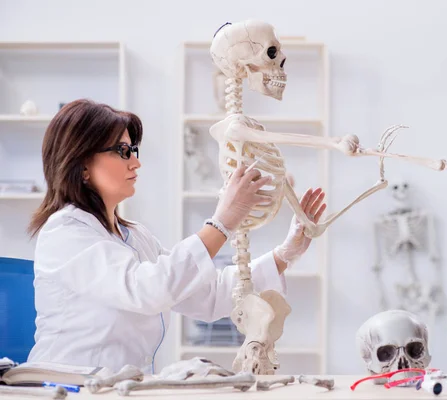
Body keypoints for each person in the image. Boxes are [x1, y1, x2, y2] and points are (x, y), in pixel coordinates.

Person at [26, 99, 326, 374]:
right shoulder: (64, 233)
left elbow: (207, 296)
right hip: (70, 390)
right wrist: (223, 221)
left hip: (120, 389)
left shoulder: (134, 235)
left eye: (134, 150)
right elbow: (146, 290)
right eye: (123, 151)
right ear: (82, 167)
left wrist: (286, 253)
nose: (135, 162)